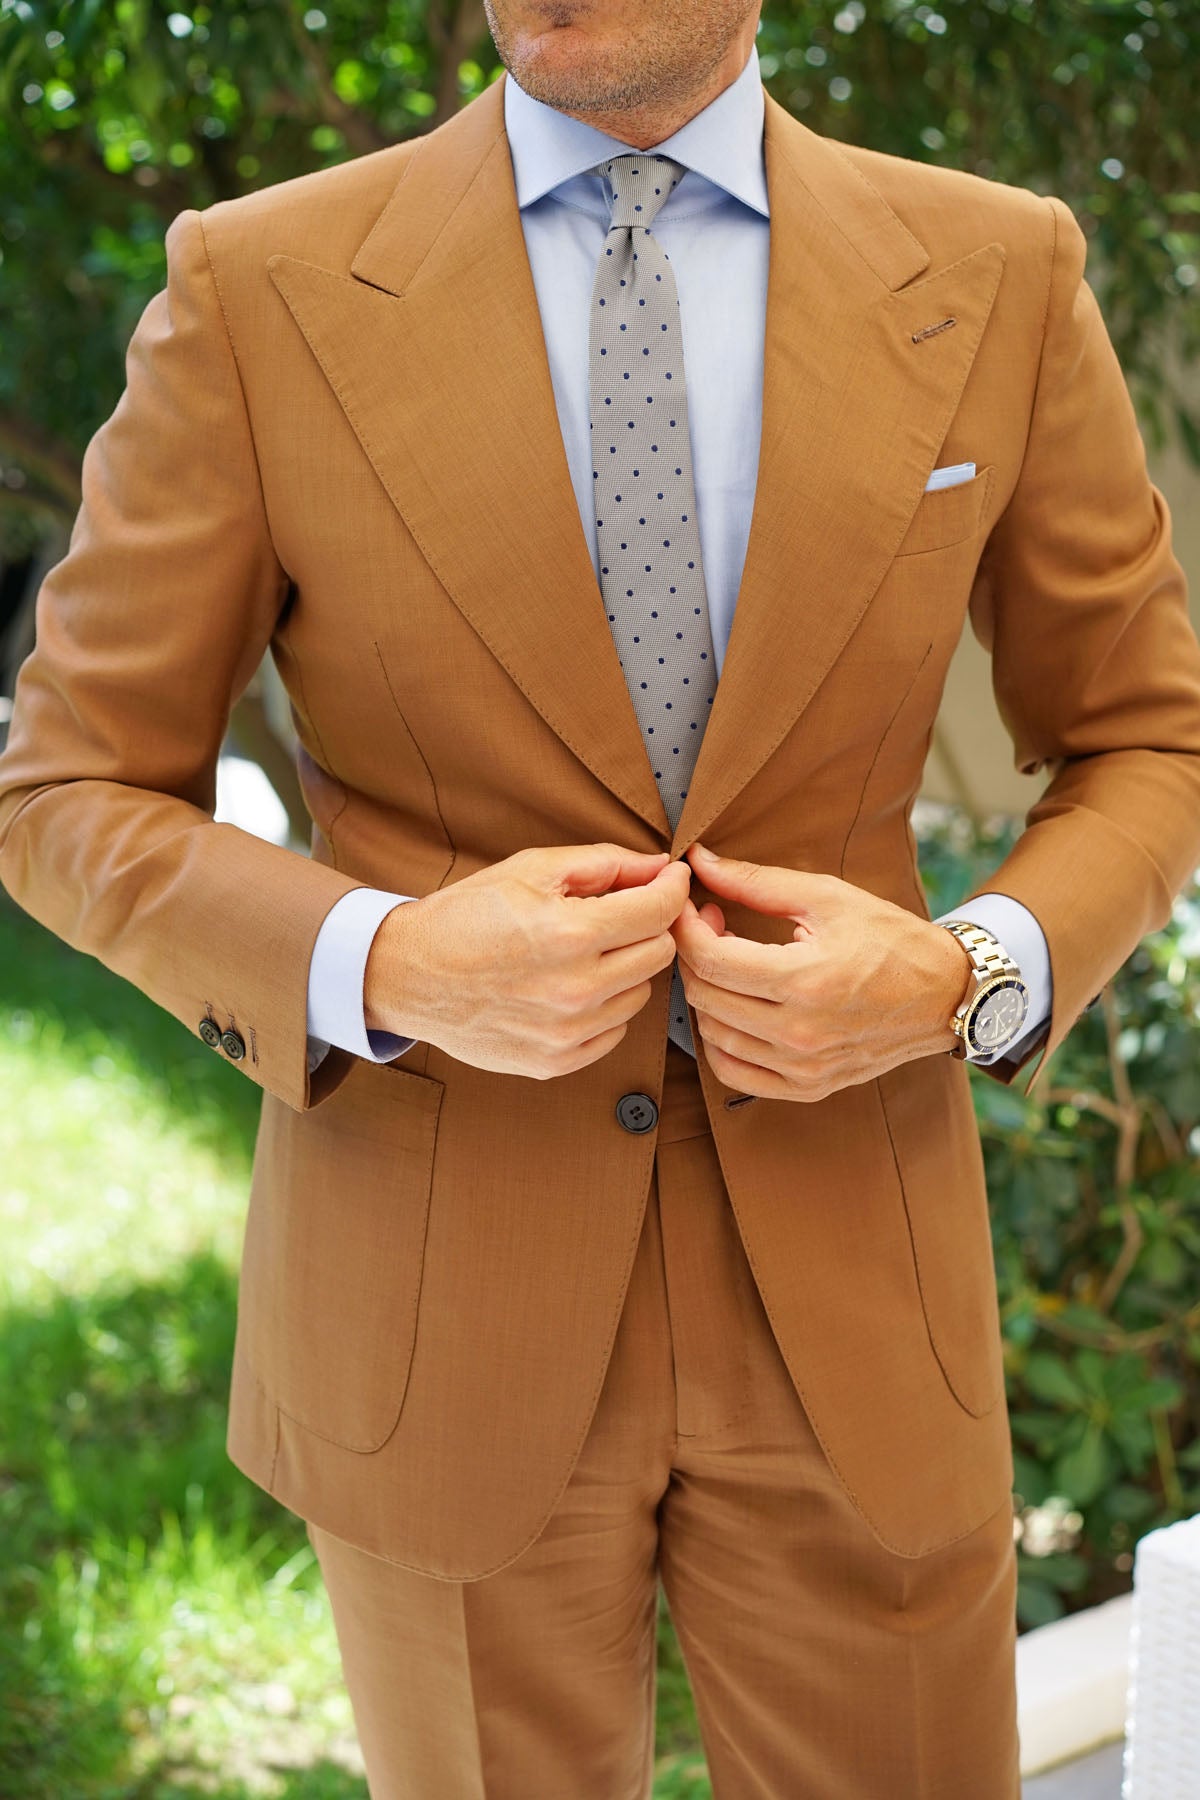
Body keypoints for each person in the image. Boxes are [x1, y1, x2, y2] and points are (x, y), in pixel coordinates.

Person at [3, 0, 1200, 1792]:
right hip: (438, 1297)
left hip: (859, 1294)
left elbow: (1152, 738)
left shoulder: (998, 269)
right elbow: (65, 784)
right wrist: (382, 960)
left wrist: (969, 973)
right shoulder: (260, 286)